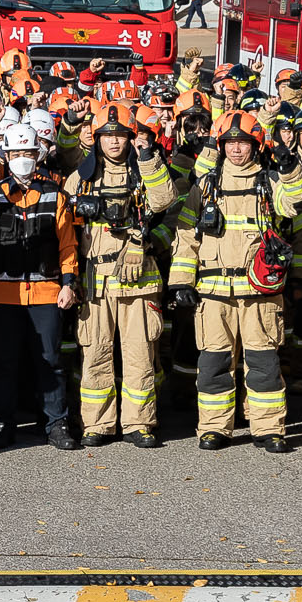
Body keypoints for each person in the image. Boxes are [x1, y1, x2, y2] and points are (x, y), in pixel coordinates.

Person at [173, 112, 301, 452]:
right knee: (213, 363)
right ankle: (214, 428)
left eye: (243, 142)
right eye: (230, 143)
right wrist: (182, 281)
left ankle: (269, 429)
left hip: (259, 291)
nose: (236, 150)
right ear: (221, 146)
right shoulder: (206, 185)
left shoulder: (270, 180)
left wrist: (290, 166)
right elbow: (186, 236)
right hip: (214, 293)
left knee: (264, 363)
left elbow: (295, 203)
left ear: (255, 146)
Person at [72, 110, 181, 448]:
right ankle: (97, 424)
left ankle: (139, 423)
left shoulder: (144, 172)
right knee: (96, 354)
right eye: (107, 135)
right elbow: (66, 229)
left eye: (121, 135)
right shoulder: (82, 178)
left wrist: (146, 155)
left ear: (131, 137)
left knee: (139, 355)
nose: (114, 141)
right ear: (97, 138)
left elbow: (165, 198)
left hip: (139, 280)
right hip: (96, 283)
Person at [0, 121, 81, 451]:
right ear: (5, 156)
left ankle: (56, 423)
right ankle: (4, 422)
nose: (23, 158)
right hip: (2, 293)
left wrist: (69, 283)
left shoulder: (54, 194)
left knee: (50, 360)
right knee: (3, 361)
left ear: (39, 155)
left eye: (28, 152)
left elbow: (67, 244)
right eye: (16, 152)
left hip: (46, 291)